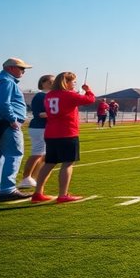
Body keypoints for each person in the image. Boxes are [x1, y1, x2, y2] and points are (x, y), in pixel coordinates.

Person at [31, 71, 96, 203]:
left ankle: (37, 192)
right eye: (73, 82)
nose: (74, 84)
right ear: (66, 82)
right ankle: (63, 194)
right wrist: (88, 90)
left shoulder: (49, 95)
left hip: (50, 132)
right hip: (66, 132)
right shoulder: (69, 95)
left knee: (49, 163)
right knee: (67, 164)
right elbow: (90, 100)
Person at [0, 58, 33, 201]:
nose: (23, 71)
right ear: (10, 68)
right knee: (14, 154)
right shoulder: (7, 81)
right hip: (5, 124)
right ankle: (8, 189)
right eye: (21, 68)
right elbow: (3, 103)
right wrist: (12, 120)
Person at [20, 74, 55, 189]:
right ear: (43, 83)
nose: (52, 83)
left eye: (53, 82)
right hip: (39, 127)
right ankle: (26, 177)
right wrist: (57, 113)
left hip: (46, 127)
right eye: (49, 81)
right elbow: (38, 114)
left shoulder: (51, 95)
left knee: (44, 155)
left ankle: (33, 177)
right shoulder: (40, 96)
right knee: (37, 153)